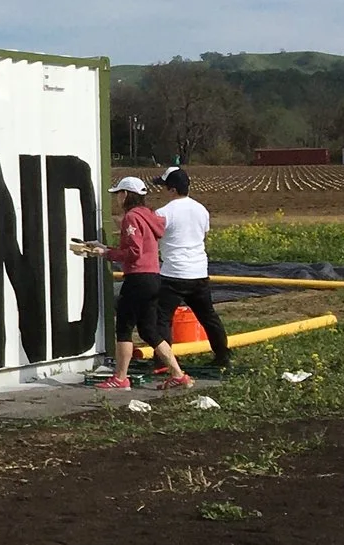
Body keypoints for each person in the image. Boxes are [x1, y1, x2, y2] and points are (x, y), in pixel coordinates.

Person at [74, 175, 186, 390]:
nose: (117, 198)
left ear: (126, 195)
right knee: (149, 331)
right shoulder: (148, 216)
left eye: (118, 194)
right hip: (153, 276)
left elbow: (134, 251)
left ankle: (120, 378)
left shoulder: (131, 218)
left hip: (138, 279)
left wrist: (105, 252)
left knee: (124, 328)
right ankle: (178, 374)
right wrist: (103, 246)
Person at [150, 166, 229, 378]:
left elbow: (155, 238)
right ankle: (223, 355)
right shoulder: (202, 210)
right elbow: (203, 235)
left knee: (162, 318)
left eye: (165, 187)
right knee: (208, 316)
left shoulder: (163, 213)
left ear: (172, 189)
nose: (164, 191)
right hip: (199, 272)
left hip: (173, 273)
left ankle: (162, 362)